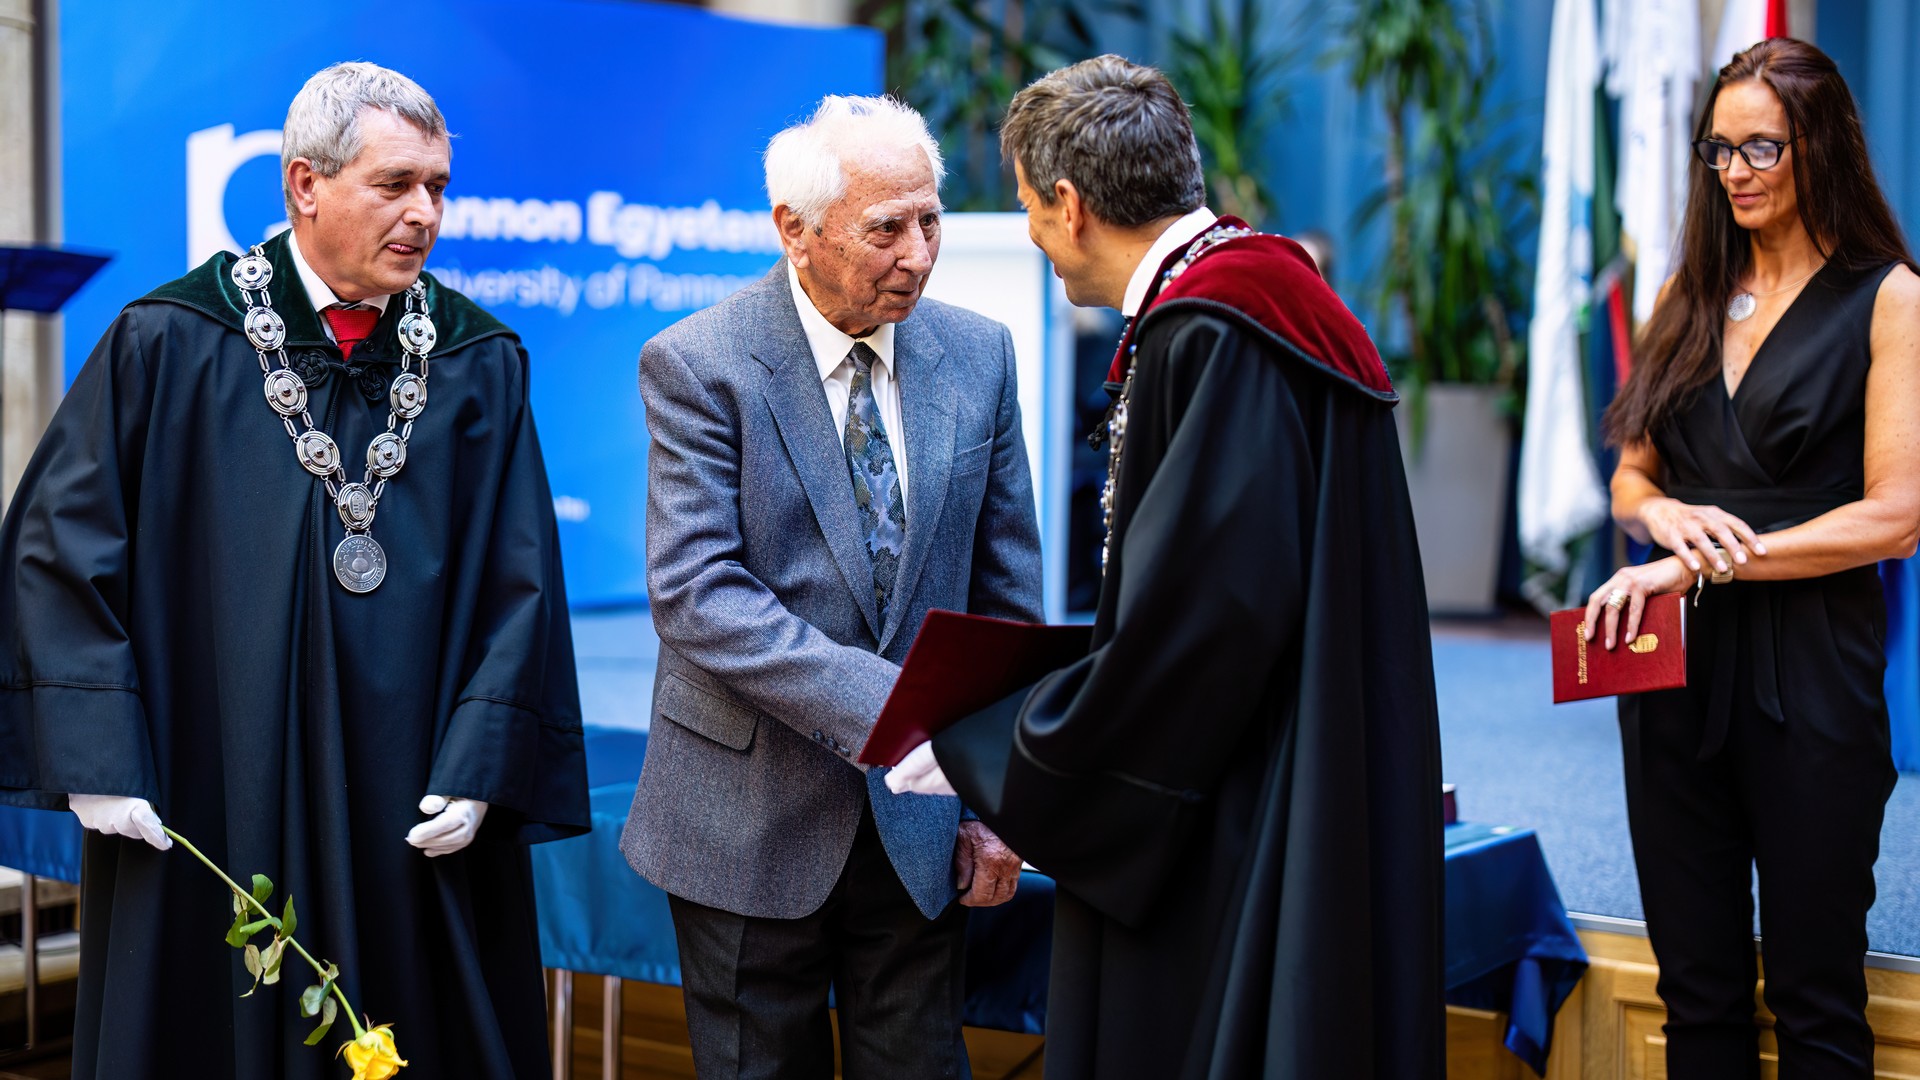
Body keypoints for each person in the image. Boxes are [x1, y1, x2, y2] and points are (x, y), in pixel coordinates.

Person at [0, 63, 588, 1078]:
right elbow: (57, 548)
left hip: (415, 793)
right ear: (305, 185)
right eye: (395, 184)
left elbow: (520, 578)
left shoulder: (478, 361)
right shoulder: (170, 341)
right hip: (209, 777)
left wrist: (484, 762)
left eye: (437, 187)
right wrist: (97, 754)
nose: (425, 213)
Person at [888, 55, 1445, 1079]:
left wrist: (996, 751)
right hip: (1304, 747)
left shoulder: (1211, 331)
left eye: (1028, 207)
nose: (1031, 234)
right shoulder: (1262, 292)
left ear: (1070, 205)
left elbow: (1196, 627)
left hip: (1240, 797)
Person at [617, 94, 1041, 1078]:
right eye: (886, 229)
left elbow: (1005, 595)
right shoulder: (698, 363)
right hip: (743, 821)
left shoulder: (979, 355)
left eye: (930, 220)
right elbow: (697, 593)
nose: (919, 256)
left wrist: (994, 795)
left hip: (920, 828)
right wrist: (900, 710)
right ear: (795, 231)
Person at [1583, 38, 1920, 1075]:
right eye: (1719, 149)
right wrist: (1665, 521)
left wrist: (1707, 561)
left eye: (1761, 148)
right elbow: (1630, 480)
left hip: (1813, 670)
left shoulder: (1889, 297)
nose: (1735, 171)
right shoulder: (1684, 292)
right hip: (1672, 670)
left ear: (1822, 144)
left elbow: (1897, 517)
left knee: (1818, 1000)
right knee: (1696, 998)